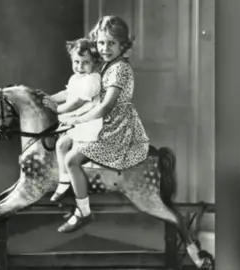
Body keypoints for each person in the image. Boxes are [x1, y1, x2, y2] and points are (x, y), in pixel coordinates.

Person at [53, 15, 150, 233]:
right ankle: (68, 189)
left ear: (123, 45)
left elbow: (106, 106)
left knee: (72, 160)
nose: (105, 48)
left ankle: (83, 212)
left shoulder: (120, 69)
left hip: (117, 129)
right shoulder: (105, 65)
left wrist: (77, 119)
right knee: (63, 141)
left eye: (111, 43)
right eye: (101, 42)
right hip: (102, 124)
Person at [48, 38, 104, 202]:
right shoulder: (75, 78)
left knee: (72, 154)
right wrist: (48, 98)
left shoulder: (93, 80)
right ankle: (64, 180)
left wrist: (57, 109)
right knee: (60, 144)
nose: (80, 67)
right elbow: (67, 94)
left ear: (94, 61)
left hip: (88, 126)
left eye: (85, 62)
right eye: (76, 62)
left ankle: (77, 187)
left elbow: (77, 102)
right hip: (75, 126)